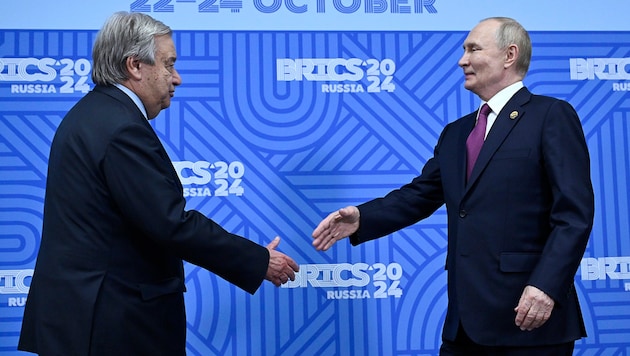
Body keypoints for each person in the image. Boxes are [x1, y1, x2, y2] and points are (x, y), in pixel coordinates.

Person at [18, 11, 299, 355]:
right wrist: (257, 260)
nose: (176, 78)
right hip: (112, 325)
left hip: (86, 318)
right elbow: (171, 224)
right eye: (168, 64)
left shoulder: (90, 115)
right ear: (135, 65)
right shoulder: (122, 128)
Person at [312, 17, 594, 355]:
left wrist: (546, 286)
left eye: (473, 49)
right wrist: (362, 217)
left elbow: (574, 215)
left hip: (529, 318)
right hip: (464, 324)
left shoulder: (551, 115)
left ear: (509, 55)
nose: (462, 60)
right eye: (464, 50)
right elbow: (420, 195)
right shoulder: (457, 132)